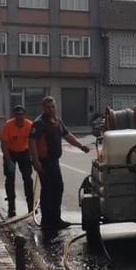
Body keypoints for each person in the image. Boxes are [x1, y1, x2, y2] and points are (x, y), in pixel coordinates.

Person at [29, 96, 90, 230]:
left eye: (53, 107)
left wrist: (81, 146)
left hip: (54, 161)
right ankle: (47, 221)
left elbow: (68, 136)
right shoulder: (39, 123)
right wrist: (35, 161)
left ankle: (55, 219)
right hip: (44, 162)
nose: (51, 109)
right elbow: (32, 142)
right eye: (48, 107)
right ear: (43, 108)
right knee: (48, 191)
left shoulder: (57, 121)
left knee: (57, 189)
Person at [0, 105, 35, 218]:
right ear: (14, 116)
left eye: (21, 114)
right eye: (17, 115)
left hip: (24, 152)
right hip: (10, 153)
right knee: (10, 180)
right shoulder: (8, 126)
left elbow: (33, 142)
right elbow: (4, 144)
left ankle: (31, 207)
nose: (19, 117)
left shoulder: (29, 125)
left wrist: (32, 157)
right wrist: (8, 160)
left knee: (28, 179)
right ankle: (11, 208)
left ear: (24, 115)